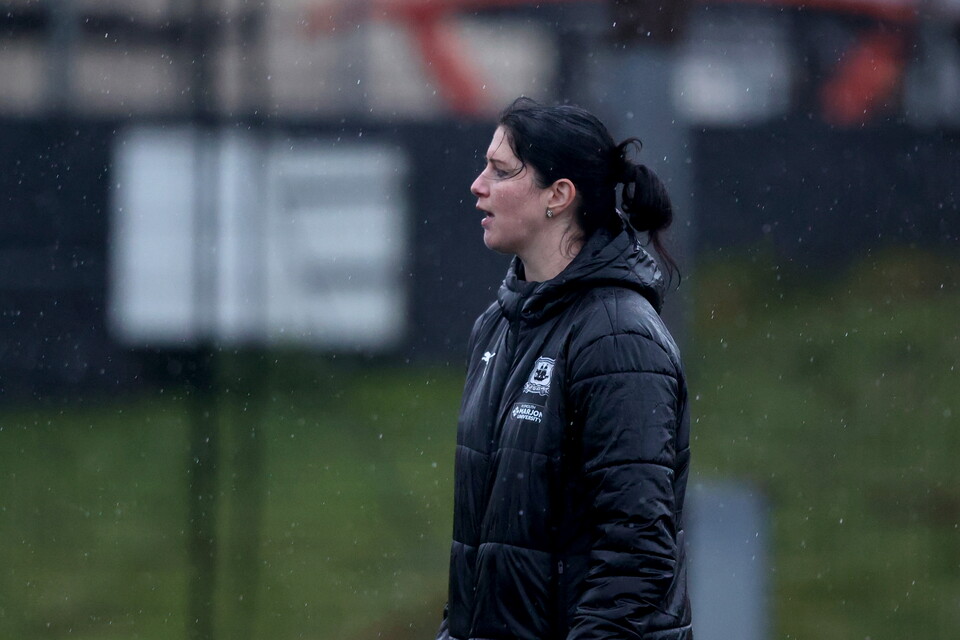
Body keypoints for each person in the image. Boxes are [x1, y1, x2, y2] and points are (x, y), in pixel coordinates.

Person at [436, 97, 692, 640]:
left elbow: (637, 560)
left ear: (558, 195)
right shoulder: (496, 326)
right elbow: (483, 562)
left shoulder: (619, 337)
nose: (478, 186)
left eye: (501, 170)